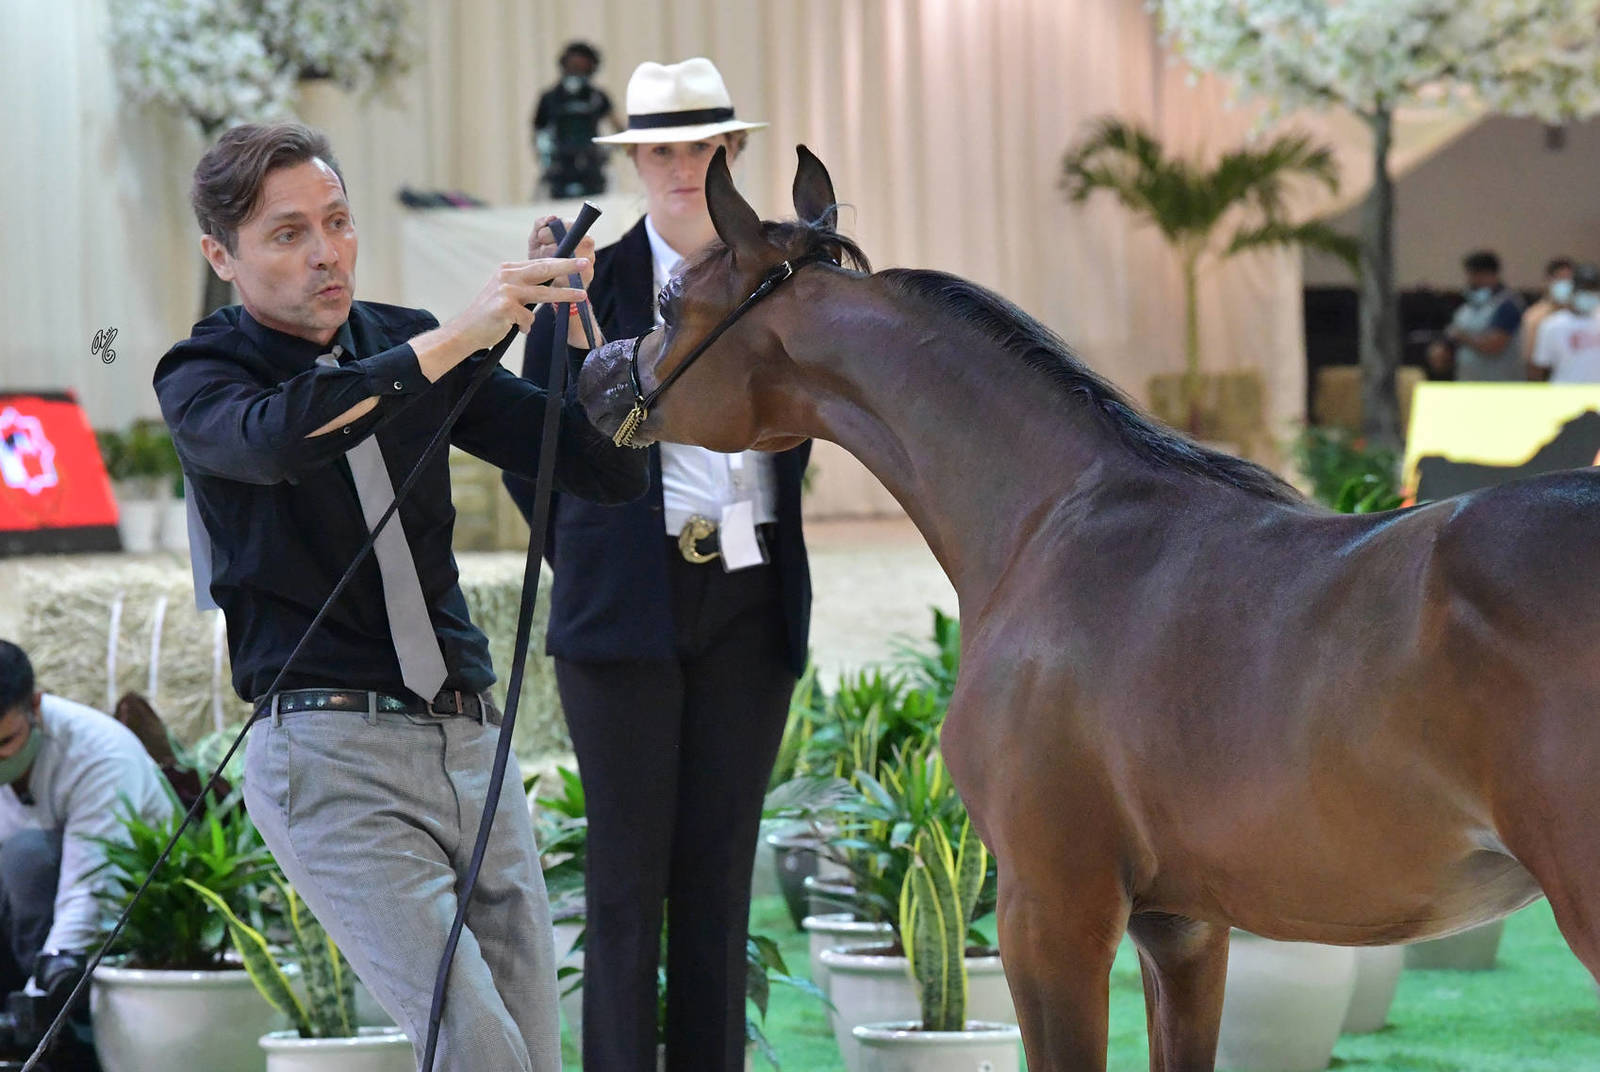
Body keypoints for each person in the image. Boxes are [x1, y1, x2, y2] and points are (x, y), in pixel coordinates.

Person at [153, 121, 647, 1071]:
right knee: (478, 1051)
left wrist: (575, 340)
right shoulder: (204, 374)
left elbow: (604, 473)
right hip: (330, 758)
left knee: (534, 1055)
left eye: (337, 222)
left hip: (471, 743)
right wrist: (464, 336)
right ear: (222, 255)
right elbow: (281, 438)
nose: (327, 253)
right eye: (288, 233)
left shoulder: (411, 341)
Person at [504, 57, 810, 1072]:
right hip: (622, 613)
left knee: (720, 880)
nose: (685, 166)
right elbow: (531, 452)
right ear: (635, 158)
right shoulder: (584, 278)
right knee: (626, 886)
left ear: (735, 154)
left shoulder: (784, 277)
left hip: (752, 599)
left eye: (706, 145)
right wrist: (597, 562)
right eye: (664, 147)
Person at [0, 641, 172, 1065]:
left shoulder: (100, 754)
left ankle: (62, 1036)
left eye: (3, 741)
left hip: (121, 924)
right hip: (25, 923)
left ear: (35, 707)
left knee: (28, 858)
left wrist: (36, 1006)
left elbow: (90, 891)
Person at [532, 41, 618, 198]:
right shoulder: (550, 98)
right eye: (573, 64)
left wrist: (608, 149)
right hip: (560, 168)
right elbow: (538, 131)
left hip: (592, 167)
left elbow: (617, 127)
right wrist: (545, 157)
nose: (576, 69)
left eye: (582, 65)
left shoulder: (597, 97)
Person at [1426, 250, 1525, 381]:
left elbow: (1494, 345)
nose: (1470, 280)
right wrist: (1442, 350)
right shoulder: (1466, 308)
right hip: (1469, 382)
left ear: (1490, 274)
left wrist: (1463, 338)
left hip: (1500, 386)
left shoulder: (1507, 305)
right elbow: (1452, 336)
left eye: (1475, 275)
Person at [1531, 261, 1600, 383]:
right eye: (1584, 290)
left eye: (1593, 290)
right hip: (1564, 394)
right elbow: (1540, 367)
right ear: (1572, 290)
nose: (1588, 295)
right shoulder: (1552, 325)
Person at [1519, 256, 1575, 367]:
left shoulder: (1586, 314)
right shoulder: (1535, 316)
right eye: (1560, 279)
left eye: (1569, 280)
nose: (1565, 284)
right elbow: (1530, 360)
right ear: (1548, 281)